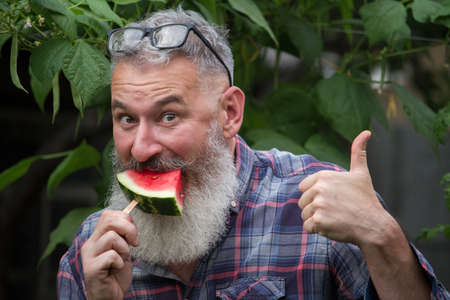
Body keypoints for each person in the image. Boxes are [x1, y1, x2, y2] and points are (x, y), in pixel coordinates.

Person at [57, 7, 450, 300]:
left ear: (229, 113)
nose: (140, 148)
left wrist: (381, 235)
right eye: (126, 119)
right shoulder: (95, 252)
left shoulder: (318, 209)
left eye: (169, 116)